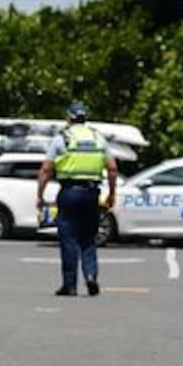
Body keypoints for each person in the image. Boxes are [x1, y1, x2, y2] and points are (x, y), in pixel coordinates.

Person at [37, 102, 118, 296]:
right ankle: (91, 276)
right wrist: (112, 193)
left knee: (69, 239)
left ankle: (70, 284)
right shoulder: (98, 138)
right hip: (92, 193)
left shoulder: (62, 138)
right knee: (88, 238)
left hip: (69, 192)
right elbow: (113, 168)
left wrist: (40, 194)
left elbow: (46, 169)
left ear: (69, 117)